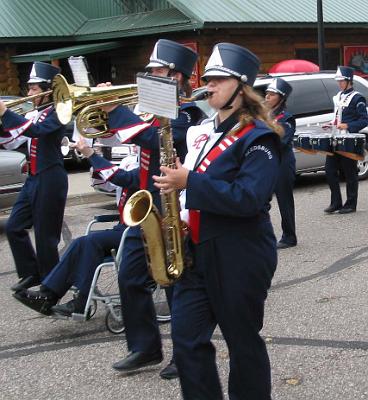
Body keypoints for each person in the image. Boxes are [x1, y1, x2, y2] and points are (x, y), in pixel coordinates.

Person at [153, 43, 282, 399]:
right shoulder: (212, 133)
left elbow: (249, 198)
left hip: (240, 255)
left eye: (218, 80)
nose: (208, 85)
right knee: (187, 340)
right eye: (207, 79)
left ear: (241, 88)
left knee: (242, 343)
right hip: (199, 253)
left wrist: (189, 182)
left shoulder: (259, 138)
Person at [99, 39, 203, 379]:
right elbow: (124, 138)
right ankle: (145, 346)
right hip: (143, 207)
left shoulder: (189, 113)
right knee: (129, 278)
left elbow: (151, 137)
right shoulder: (148, 111)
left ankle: (184, 354)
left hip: (171, 207)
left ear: (175, 77)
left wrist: (115, 110)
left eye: (156, 71)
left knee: (175, 285)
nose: (149, 76)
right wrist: (103, 113)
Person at [12, 146, 139, 316]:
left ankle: (80, 301)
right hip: (125, 227)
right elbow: (109, 185)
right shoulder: (131, 161)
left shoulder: (150, 166)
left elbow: (124, 178)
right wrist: (98, 161)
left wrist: (92, 155)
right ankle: (49, 294)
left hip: (139, 231)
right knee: (81, 242)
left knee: (91, 242)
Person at [0, 62, 69, 292]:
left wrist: (6, 113)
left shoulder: (59, 112)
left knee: (45, 236)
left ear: (49, 89)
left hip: (51, 177)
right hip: (33, 177)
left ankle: (52, 286)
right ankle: (31, 272)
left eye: (34, 89)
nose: (29, 94)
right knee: (14, 226)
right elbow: (13, 141)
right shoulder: (33, 114)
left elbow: (37, 131)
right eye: (29, 89)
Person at [324, 65, 368, 214]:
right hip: (335, 138)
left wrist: (348, 125)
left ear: (349, 80)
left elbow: (364, 120)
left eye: (341, 80)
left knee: (349, 173)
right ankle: (336, 202)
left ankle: (350, 204)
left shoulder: (357, 98)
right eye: (338, 81)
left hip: (349, 140)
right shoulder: (338, 96)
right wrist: (331, 124)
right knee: (329, 170)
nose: (339, 83)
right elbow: (337, 117)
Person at [265, 78, 297, 249]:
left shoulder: (286, 118)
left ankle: (289, 236)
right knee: (261, 199)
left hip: (283, 163)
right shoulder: (265, 115)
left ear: (281, 98)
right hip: (269, 162)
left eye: (271, 94)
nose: (267, 97)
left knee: (285, 200)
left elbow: (281, 141)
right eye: (267, 94)